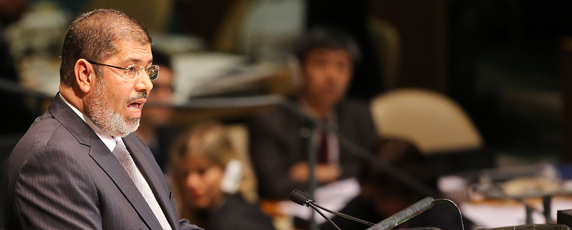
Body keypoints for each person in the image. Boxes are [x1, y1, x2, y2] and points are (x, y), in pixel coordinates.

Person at [1, 9, 202, 230]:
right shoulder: (50, 159)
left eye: (148, 70)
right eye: (131, 69)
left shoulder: (123, 135)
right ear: (85, 75)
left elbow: (168, 225)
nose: (147, 84)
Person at [248, 27, 379, 228]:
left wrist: (320, 172)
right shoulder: (269, 120)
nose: (331, 76)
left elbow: (375, 172)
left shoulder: (359, 114)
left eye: (341, 66)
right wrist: (347, 173)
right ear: (300, 69)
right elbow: (274, 186)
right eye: (321, 63)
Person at [170, 121, 275, 230]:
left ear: (227, 168)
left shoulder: (238, 223)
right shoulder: (206, 217)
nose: (190, 183)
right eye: (185, 174)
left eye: (202, 171)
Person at [135, 49, 178, 172]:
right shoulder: (116, 142)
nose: (165, 99)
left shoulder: (173, 141)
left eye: (169, 89)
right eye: (155, 88)